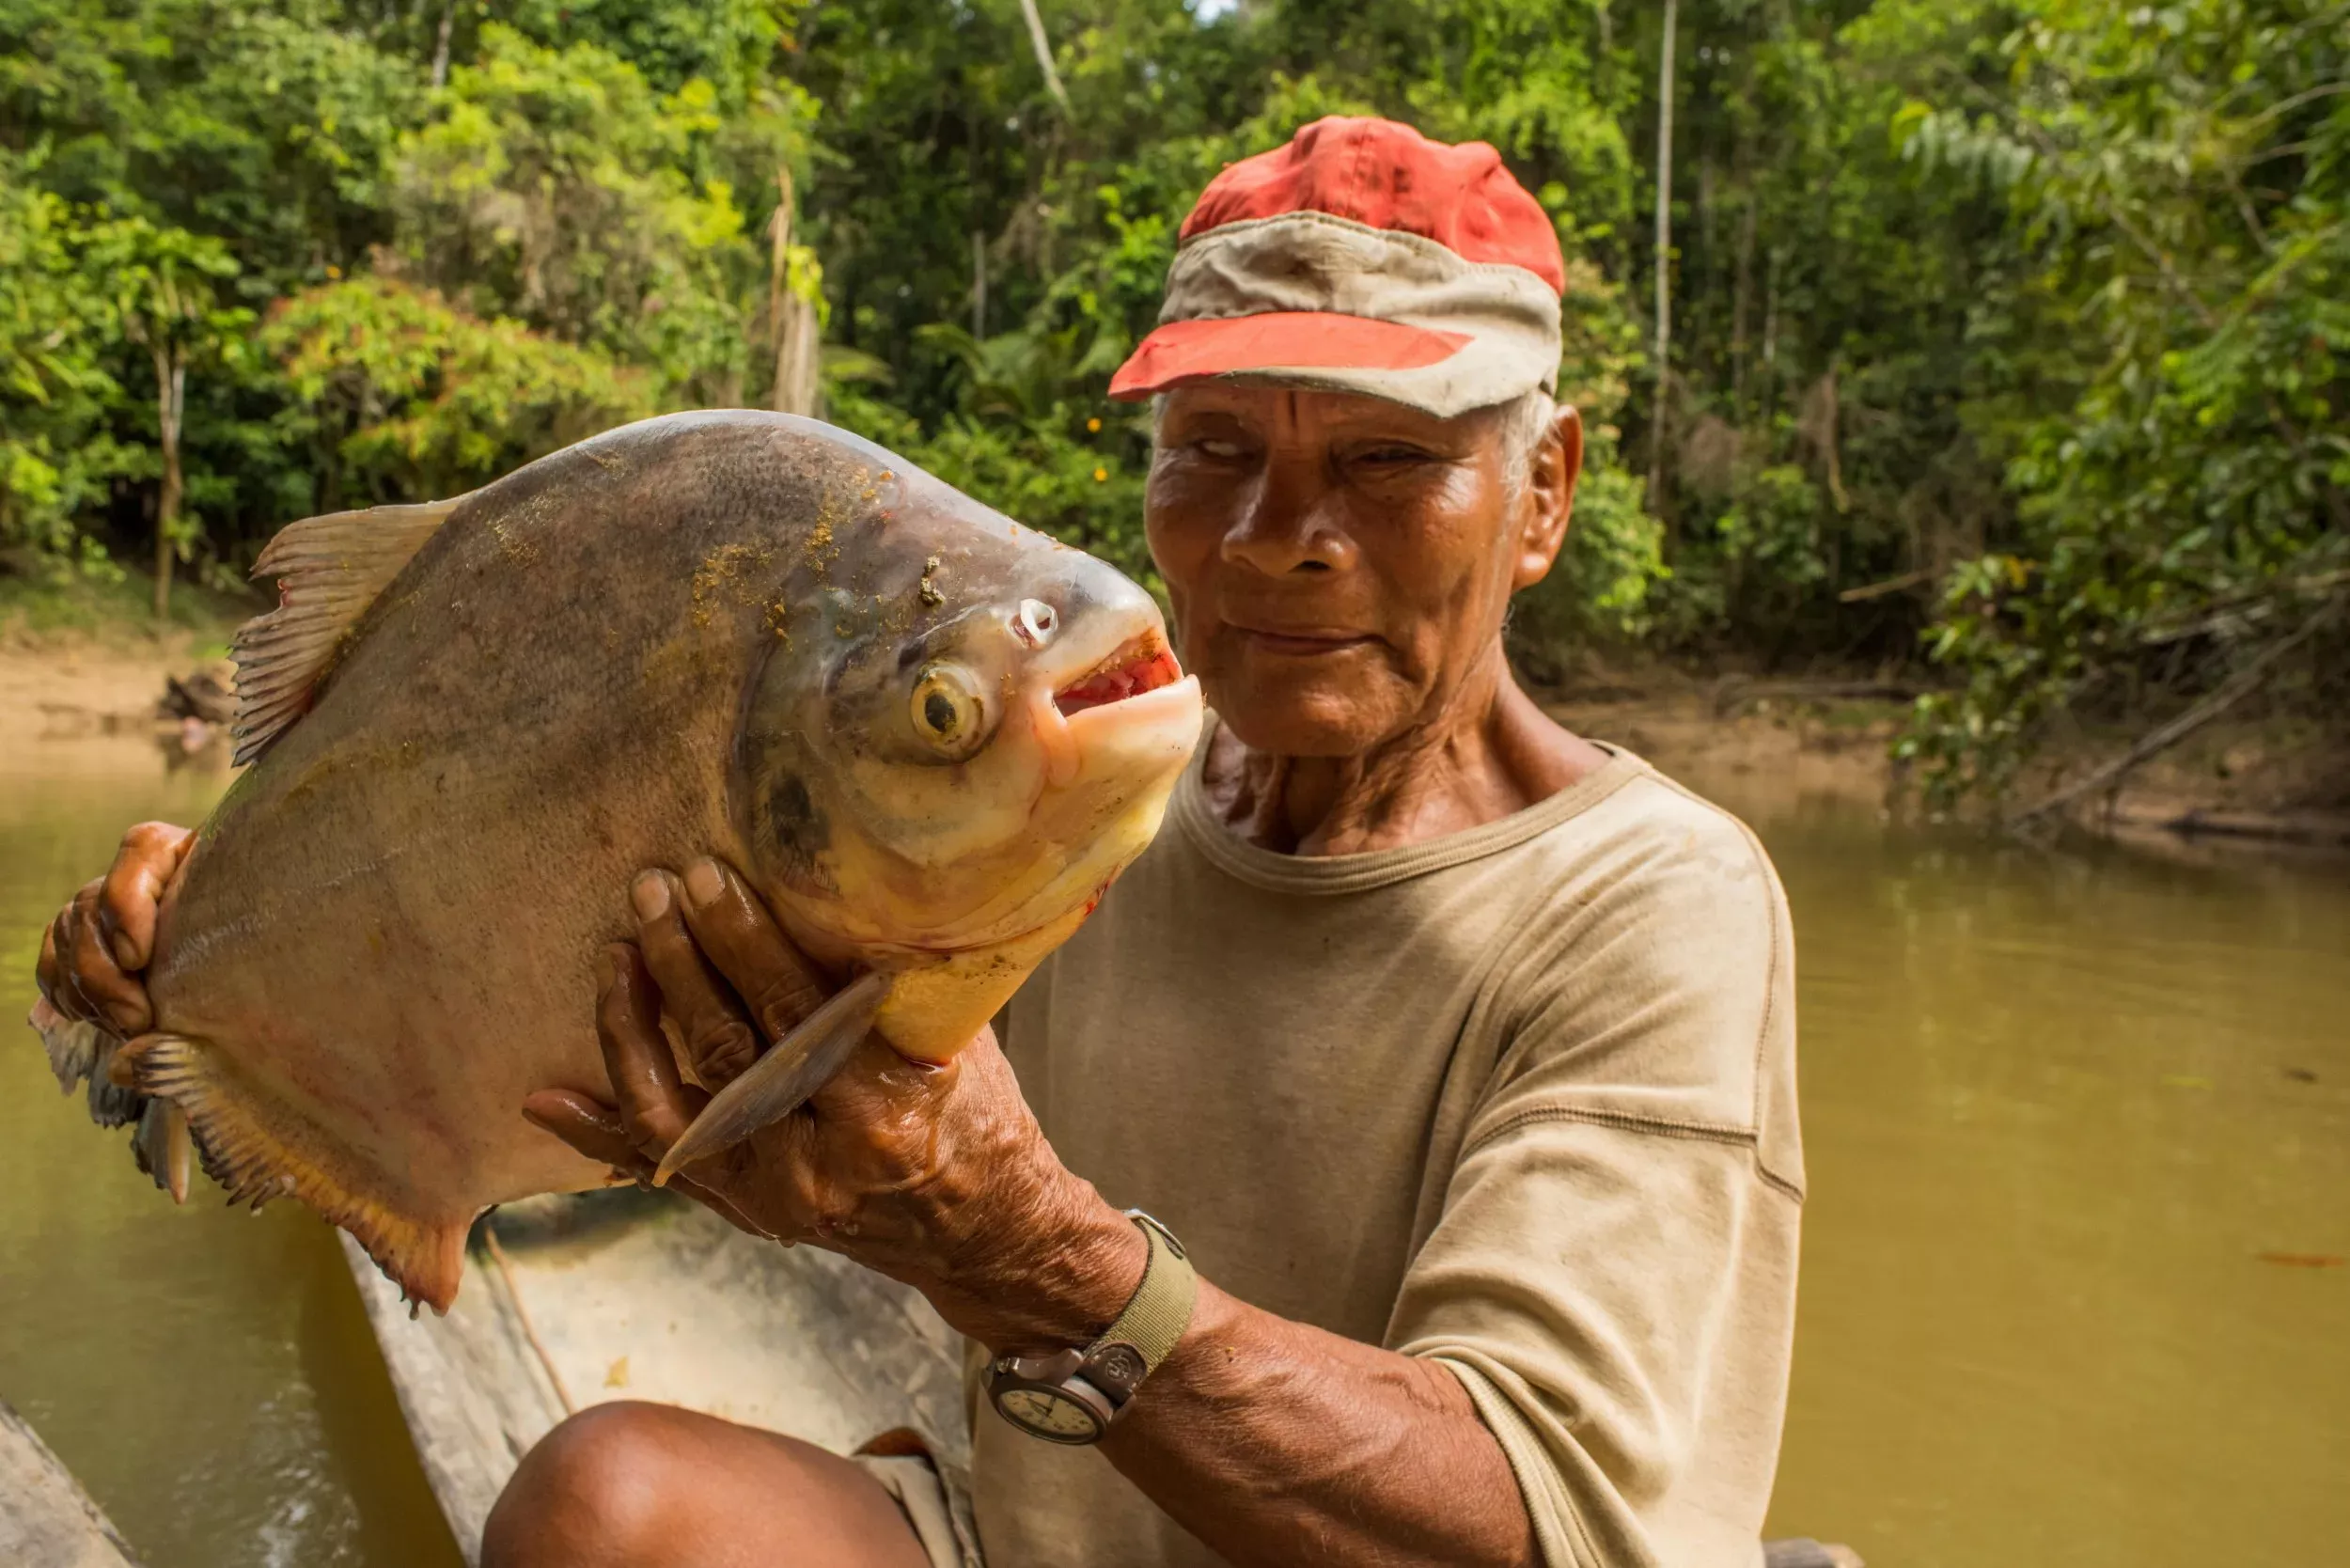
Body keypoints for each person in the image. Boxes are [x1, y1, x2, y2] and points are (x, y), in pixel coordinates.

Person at [38, 118, 1803, 1568]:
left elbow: (1532, 1525)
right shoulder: (1062, 801)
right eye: (1212, 449)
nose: (1281, 536)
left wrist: (1024, 1254)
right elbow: (586, 982)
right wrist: (239, 930)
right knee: (605, 1511)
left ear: (1543, 494)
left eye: (1387, 461)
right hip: (1022, 1534)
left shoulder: (1654, 901)